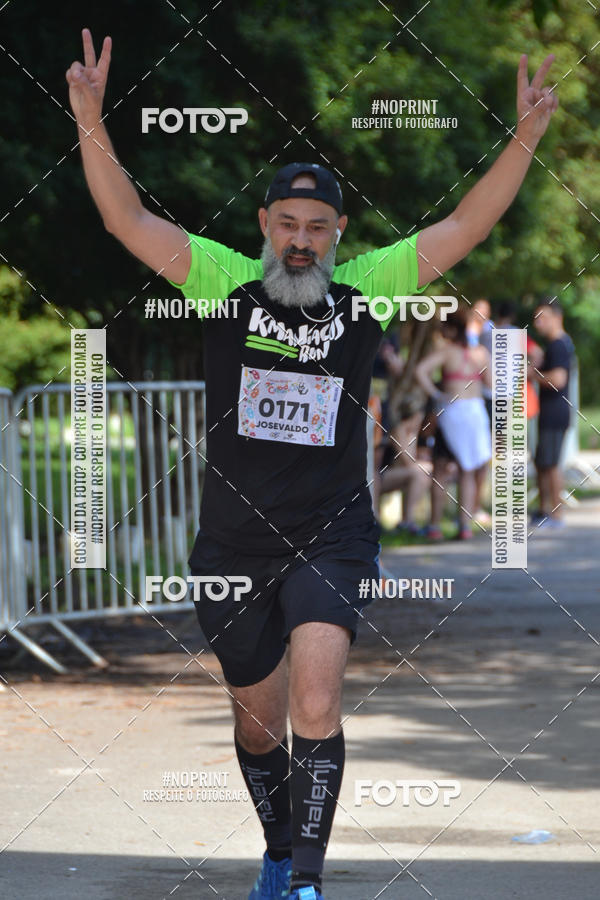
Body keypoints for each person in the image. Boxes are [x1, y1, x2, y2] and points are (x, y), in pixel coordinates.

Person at [66, 28, 558, 899]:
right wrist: (89, 117)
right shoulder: (221, 281)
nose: (302, 241)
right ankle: (276, 848)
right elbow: (126, 220)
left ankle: (304, 881)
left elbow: (465, 224)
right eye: (288, 225)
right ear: (265, 227)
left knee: (317, 705)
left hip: (331, 535)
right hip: (232, 546)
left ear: (339, 234)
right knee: (259, 727)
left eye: (318, 228)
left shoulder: (370, 288)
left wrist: (523, 136)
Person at [415, 307, 492, 539]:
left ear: (450, 328)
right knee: (467, 470)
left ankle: (434, 526)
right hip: (475, 412)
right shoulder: (480, 353)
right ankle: (465, 526)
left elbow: (420, 371)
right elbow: (491, 384)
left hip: (452, 412)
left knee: (440, 469)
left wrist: (436, 393)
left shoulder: (446, 351)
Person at [529, 298, 575, 527]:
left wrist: (532, 374)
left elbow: (558, 379)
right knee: (543, 462)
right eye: (536, 319)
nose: (538, 323)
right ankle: (544, 510)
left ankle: (555, 514)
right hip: (551, 411)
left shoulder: (558, 345)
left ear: (557, 318)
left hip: (555, 412)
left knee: (551, 463)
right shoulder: (558, 344)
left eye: (543, 318)